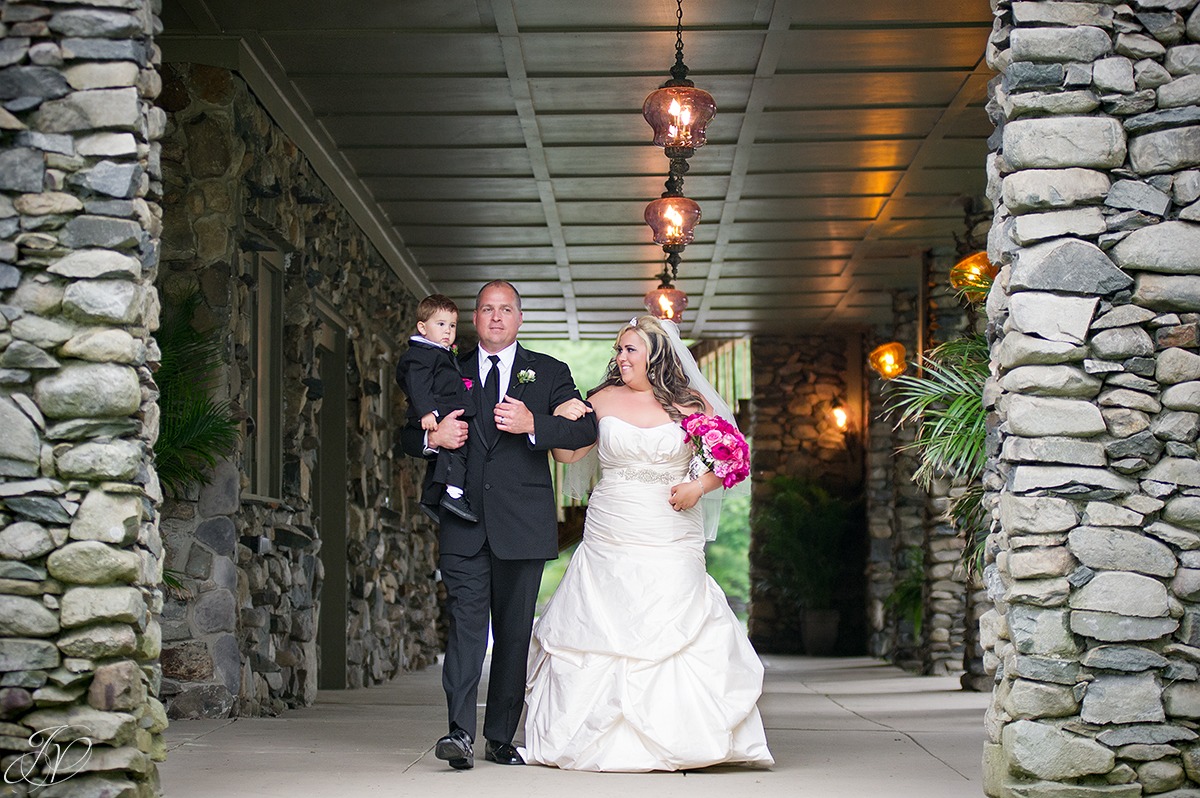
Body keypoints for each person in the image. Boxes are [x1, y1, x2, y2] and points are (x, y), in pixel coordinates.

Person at [521, 315, 774, 772]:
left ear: (656, 354)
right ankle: (586, 738)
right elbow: (568, 454)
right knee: (601, 619)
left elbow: (735, 457)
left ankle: (685, 737)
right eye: (618, 350)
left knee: (675, 617)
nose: (620, 358)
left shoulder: (690, 403)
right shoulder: (599, 399)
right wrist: (559, 418)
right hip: (611, 525)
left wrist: (699, 486)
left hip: (670, 526)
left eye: (629, 350)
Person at [401, 280, 598, 770]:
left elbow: (585, 428)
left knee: (512, 635)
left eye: (505, 309)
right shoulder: (446, 364)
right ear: (474, 317)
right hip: (462, 523)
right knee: (466, 628)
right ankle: (459, 734)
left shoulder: (549, 372)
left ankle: (501, 736)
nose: (495, 317)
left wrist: (535, 424)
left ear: (519, 318)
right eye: (486, 309)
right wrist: (434, 437)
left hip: (523, 525)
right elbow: (409, 432)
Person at [395, 293, 477, 523]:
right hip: (434, 413)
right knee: (457, 448)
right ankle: (453, 494)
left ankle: (434, 497)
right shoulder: (420, 355)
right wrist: (427, 411)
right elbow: (417, 384)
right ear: (422, 327)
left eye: (451, 325)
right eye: (440, 324)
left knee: (453, 450)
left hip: (443, 409)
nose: (447, 331)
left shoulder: (440, 353)